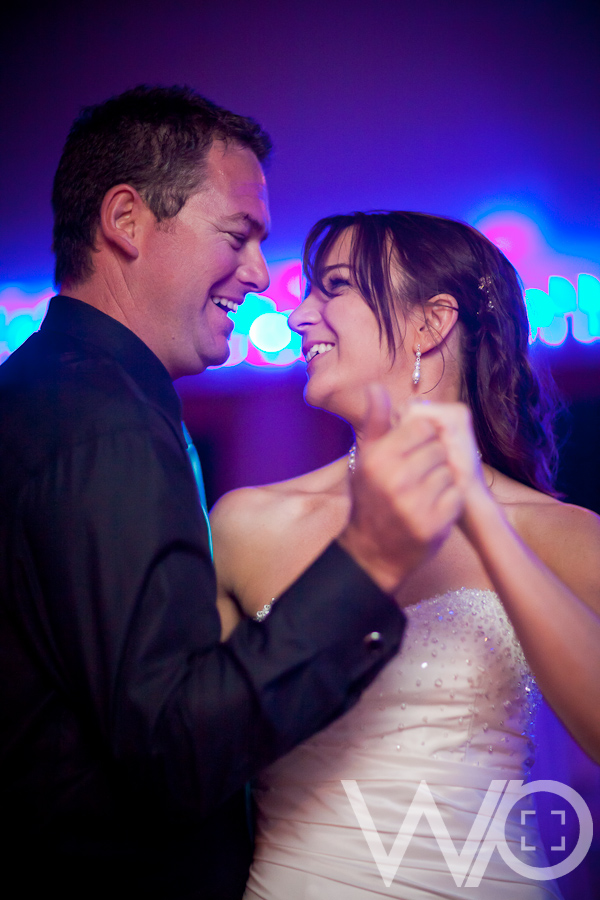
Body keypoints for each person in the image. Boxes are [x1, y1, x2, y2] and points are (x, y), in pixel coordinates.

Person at [0, 93, 465, 899]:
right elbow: (174, 750)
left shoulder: (57, 392)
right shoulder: (107, 424)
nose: (260, 276)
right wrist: (365, 562)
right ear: (127, 220)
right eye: (238, 235)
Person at [211, 211, 600, 898]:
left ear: (430, 323)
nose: (298, 317)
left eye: (332, 287)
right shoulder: (249, 524)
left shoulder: (562, 534)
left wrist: (479, 513)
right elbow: (191, 758)